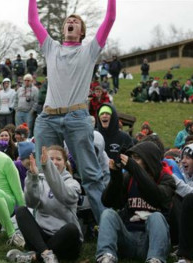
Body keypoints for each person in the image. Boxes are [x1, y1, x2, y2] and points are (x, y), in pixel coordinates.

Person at [29, 0, 116, 221]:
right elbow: (32, 20)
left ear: (82, 32)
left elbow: (110, 19)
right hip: (48, 117)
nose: (71, 22)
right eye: (68, 20)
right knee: (43, 172)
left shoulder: (89, 51)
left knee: (91, 175)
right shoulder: (50, 47)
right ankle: (44, 223)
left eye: (76, 21)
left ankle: (107, 226)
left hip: (77, 117)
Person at [96, 141, 175, 263]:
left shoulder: (166, 179)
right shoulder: (130, 178)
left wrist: (134, 168)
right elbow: (109, 202)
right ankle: (106, 257)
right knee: (108, 214)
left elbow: (157, 196)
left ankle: (155, 259)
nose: (133, 161)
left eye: (137, 158)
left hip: (151, 242)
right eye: (132, 158)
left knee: (156, 217)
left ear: (149, 159)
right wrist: (116, 176)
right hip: (129, 238)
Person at [7, 146, 82, 263]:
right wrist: (32, 178)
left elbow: (64, 195)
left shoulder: (72, 184)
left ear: (65, 162)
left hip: (64, 241)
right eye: (50, 159)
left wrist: (48, 168)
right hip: (41, 237)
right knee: (21, 211)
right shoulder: (40, 180)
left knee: (72, 229)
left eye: (58, 159)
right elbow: (31, 203)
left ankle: (34, 256)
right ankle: (46, 254)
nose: (54, 162)